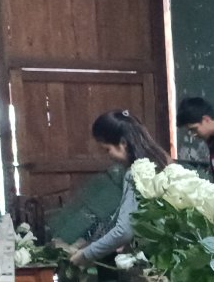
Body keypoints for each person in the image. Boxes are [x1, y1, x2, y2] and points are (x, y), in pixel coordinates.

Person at [70, 110, 170, 266]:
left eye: (107, 149)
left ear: (123, 143)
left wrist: (86, 255)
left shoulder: (137, 173)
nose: (108, 156)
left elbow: (124, 231)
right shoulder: (161, 161)